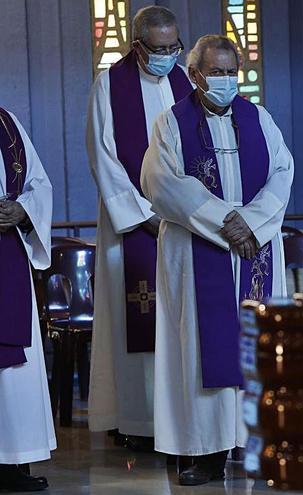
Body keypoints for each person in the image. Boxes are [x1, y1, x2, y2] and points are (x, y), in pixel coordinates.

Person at [140, 35, 293, 486]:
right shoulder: (171, 123)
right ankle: (203, 451)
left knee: (253, 348)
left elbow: (283, 173)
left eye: (232, 71)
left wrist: (253, 224)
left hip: (254, 248)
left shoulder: (258, 118)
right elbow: (160, 181)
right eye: (217, 72)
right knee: (196, 348)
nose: (227, 81)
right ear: (195, 75)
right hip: (196, 251)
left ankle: (253, 443)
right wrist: (225, 221)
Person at [86, 5, 192, 452]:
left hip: (185, 226)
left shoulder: (187, 81)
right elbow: (103, 157)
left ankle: (181, 418)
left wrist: (184, 211)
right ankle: (136, 420)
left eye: (174, 47)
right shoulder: (109, 86)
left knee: (183, 322)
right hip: (133, 227)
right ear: (137, 44)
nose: (169, 55)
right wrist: (144, 215)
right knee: (133, 320)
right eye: (159, 48)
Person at [0, 107, 55, 492]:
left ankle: (11, 461)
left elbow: (39, 184)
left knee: (13, 373)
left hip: (7, 258)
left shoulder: (6, 122)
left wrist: (23, 210)